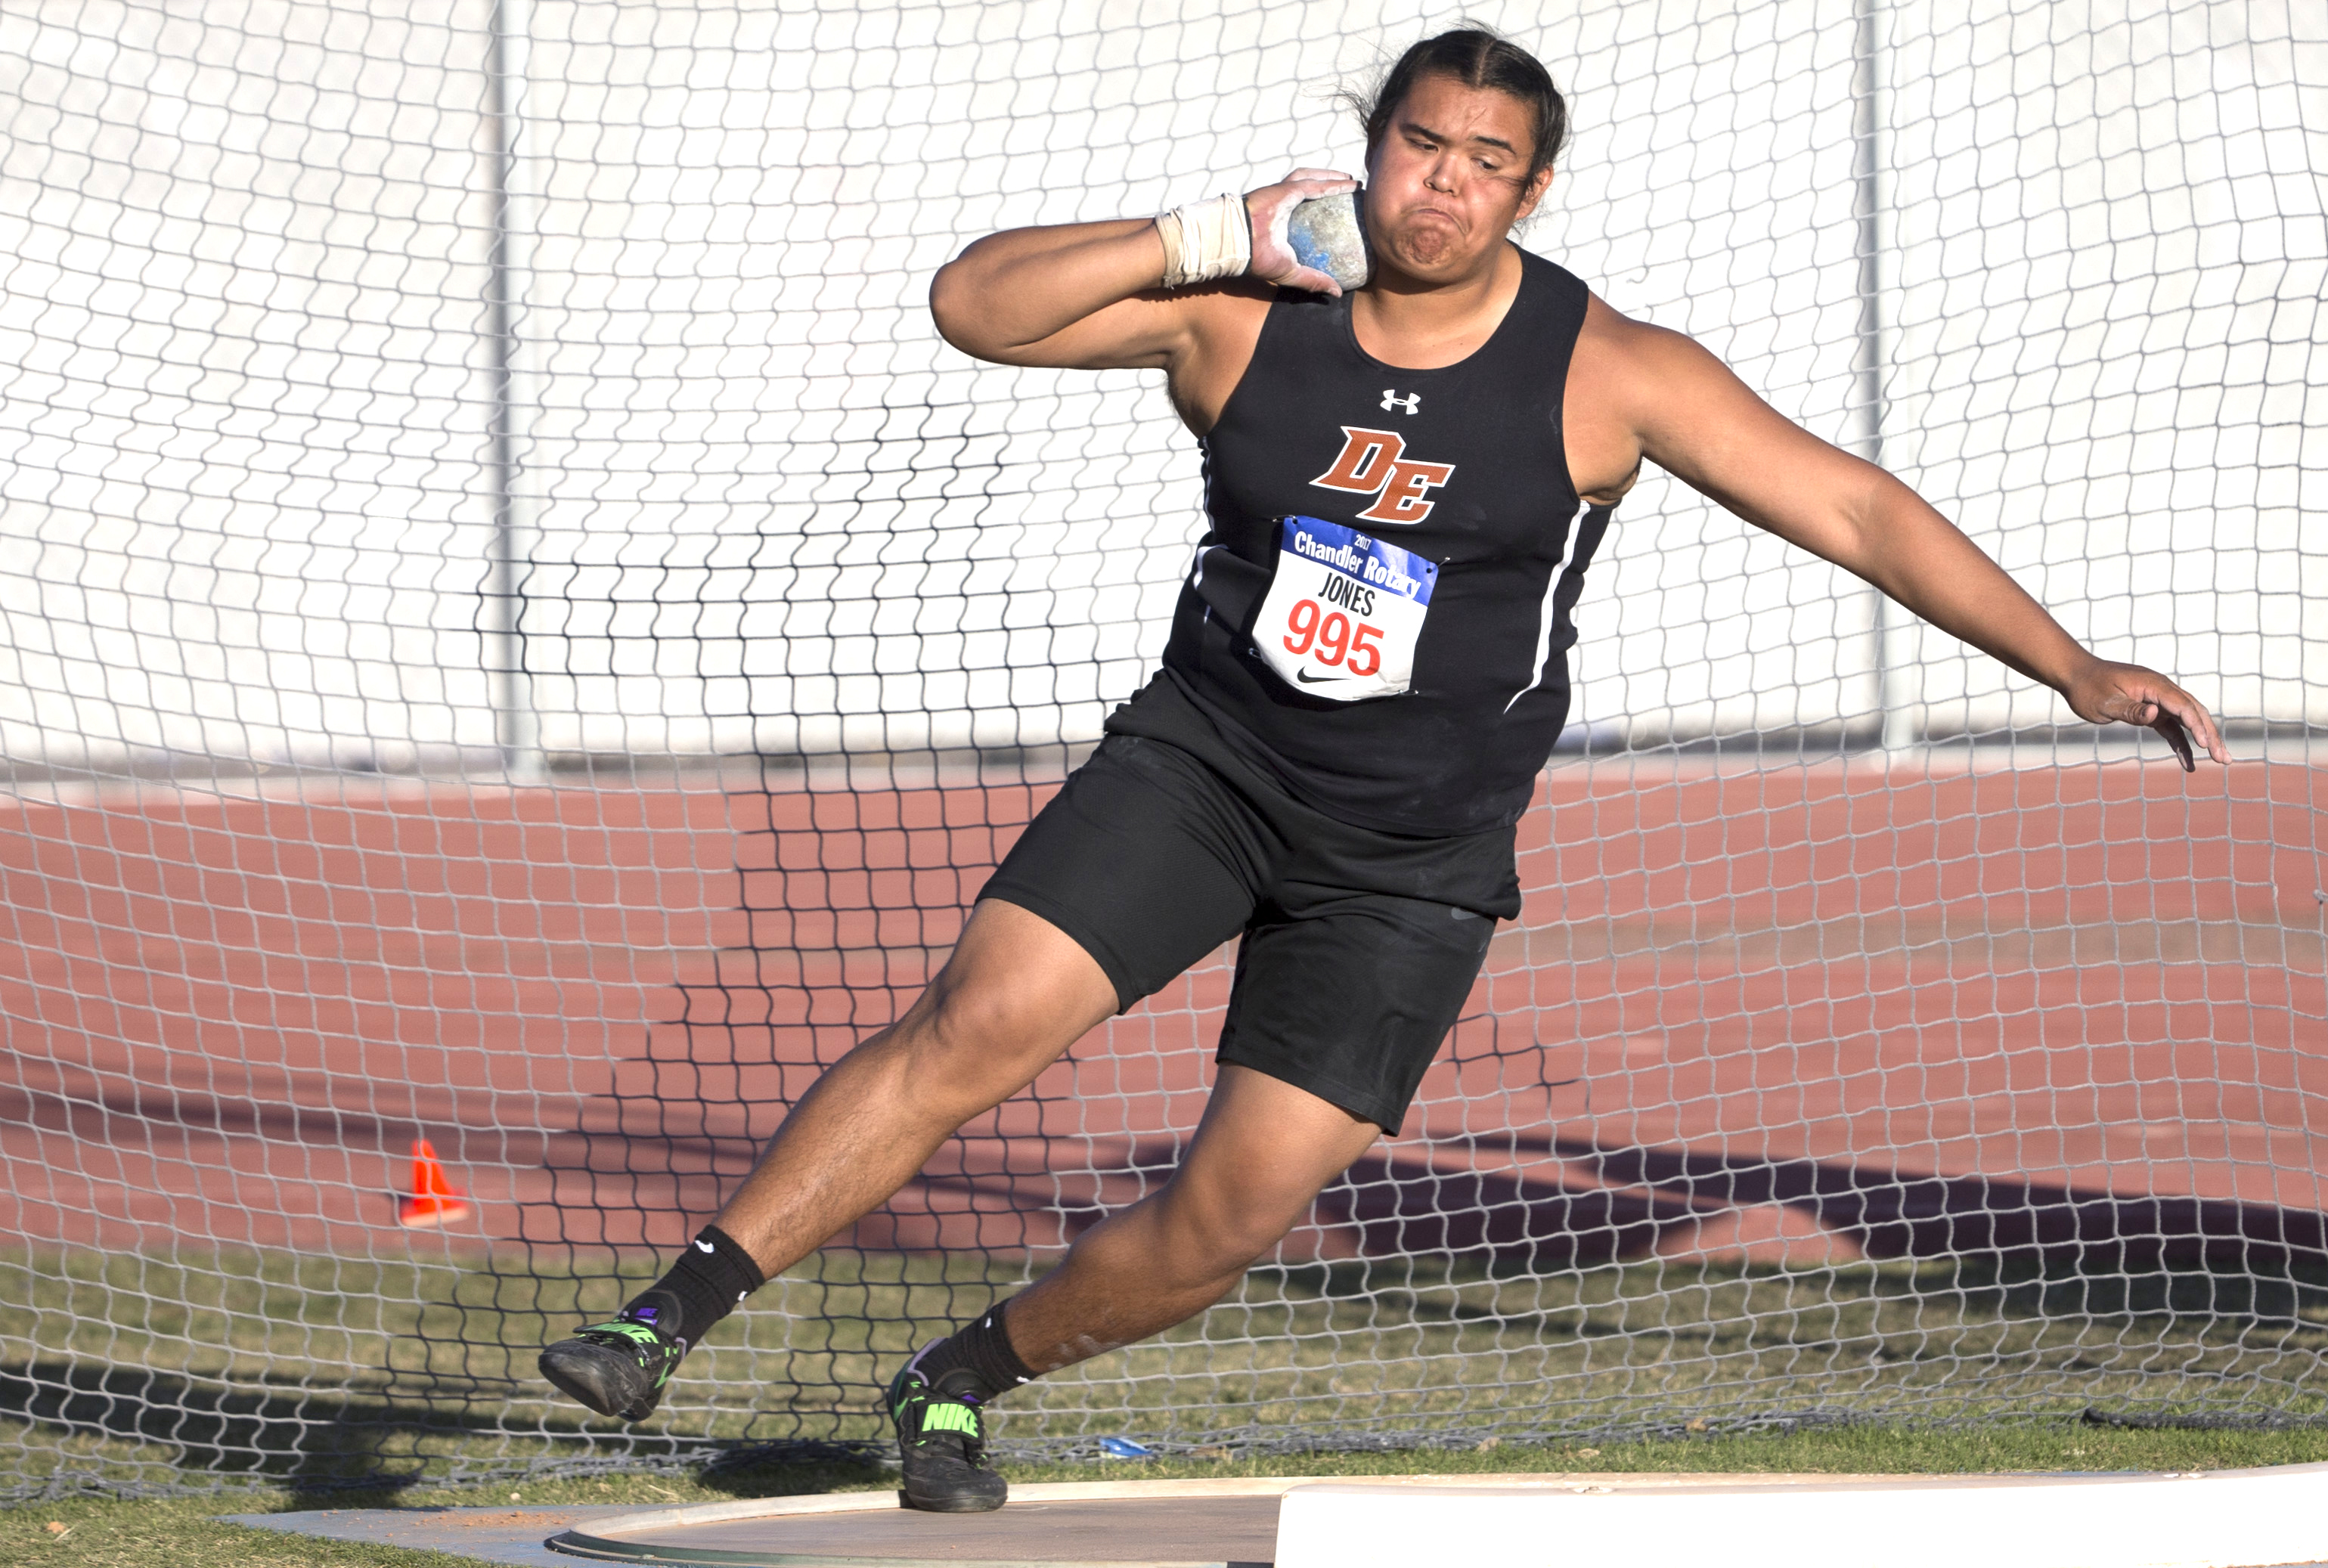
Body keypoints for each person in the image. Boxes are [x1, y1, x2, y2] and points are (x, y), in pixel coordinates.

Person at [539, 26, 2227, 1512]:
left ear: (1531, 192)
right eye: (1421, 144)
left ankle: (958, 1371)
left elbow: (1852, 504)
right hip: (1203, 765)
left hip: (1410, 855)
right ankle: (660, 1315)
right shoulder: (1241, 318)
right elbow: (971, 307)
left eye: (1486, 163)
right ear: (1369, 150)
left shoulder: (1604, 371)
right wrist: (1203, 230)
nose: (1443, 185)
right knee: (976, 1022)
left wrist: (2069, 665)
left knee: (1225, 1216)